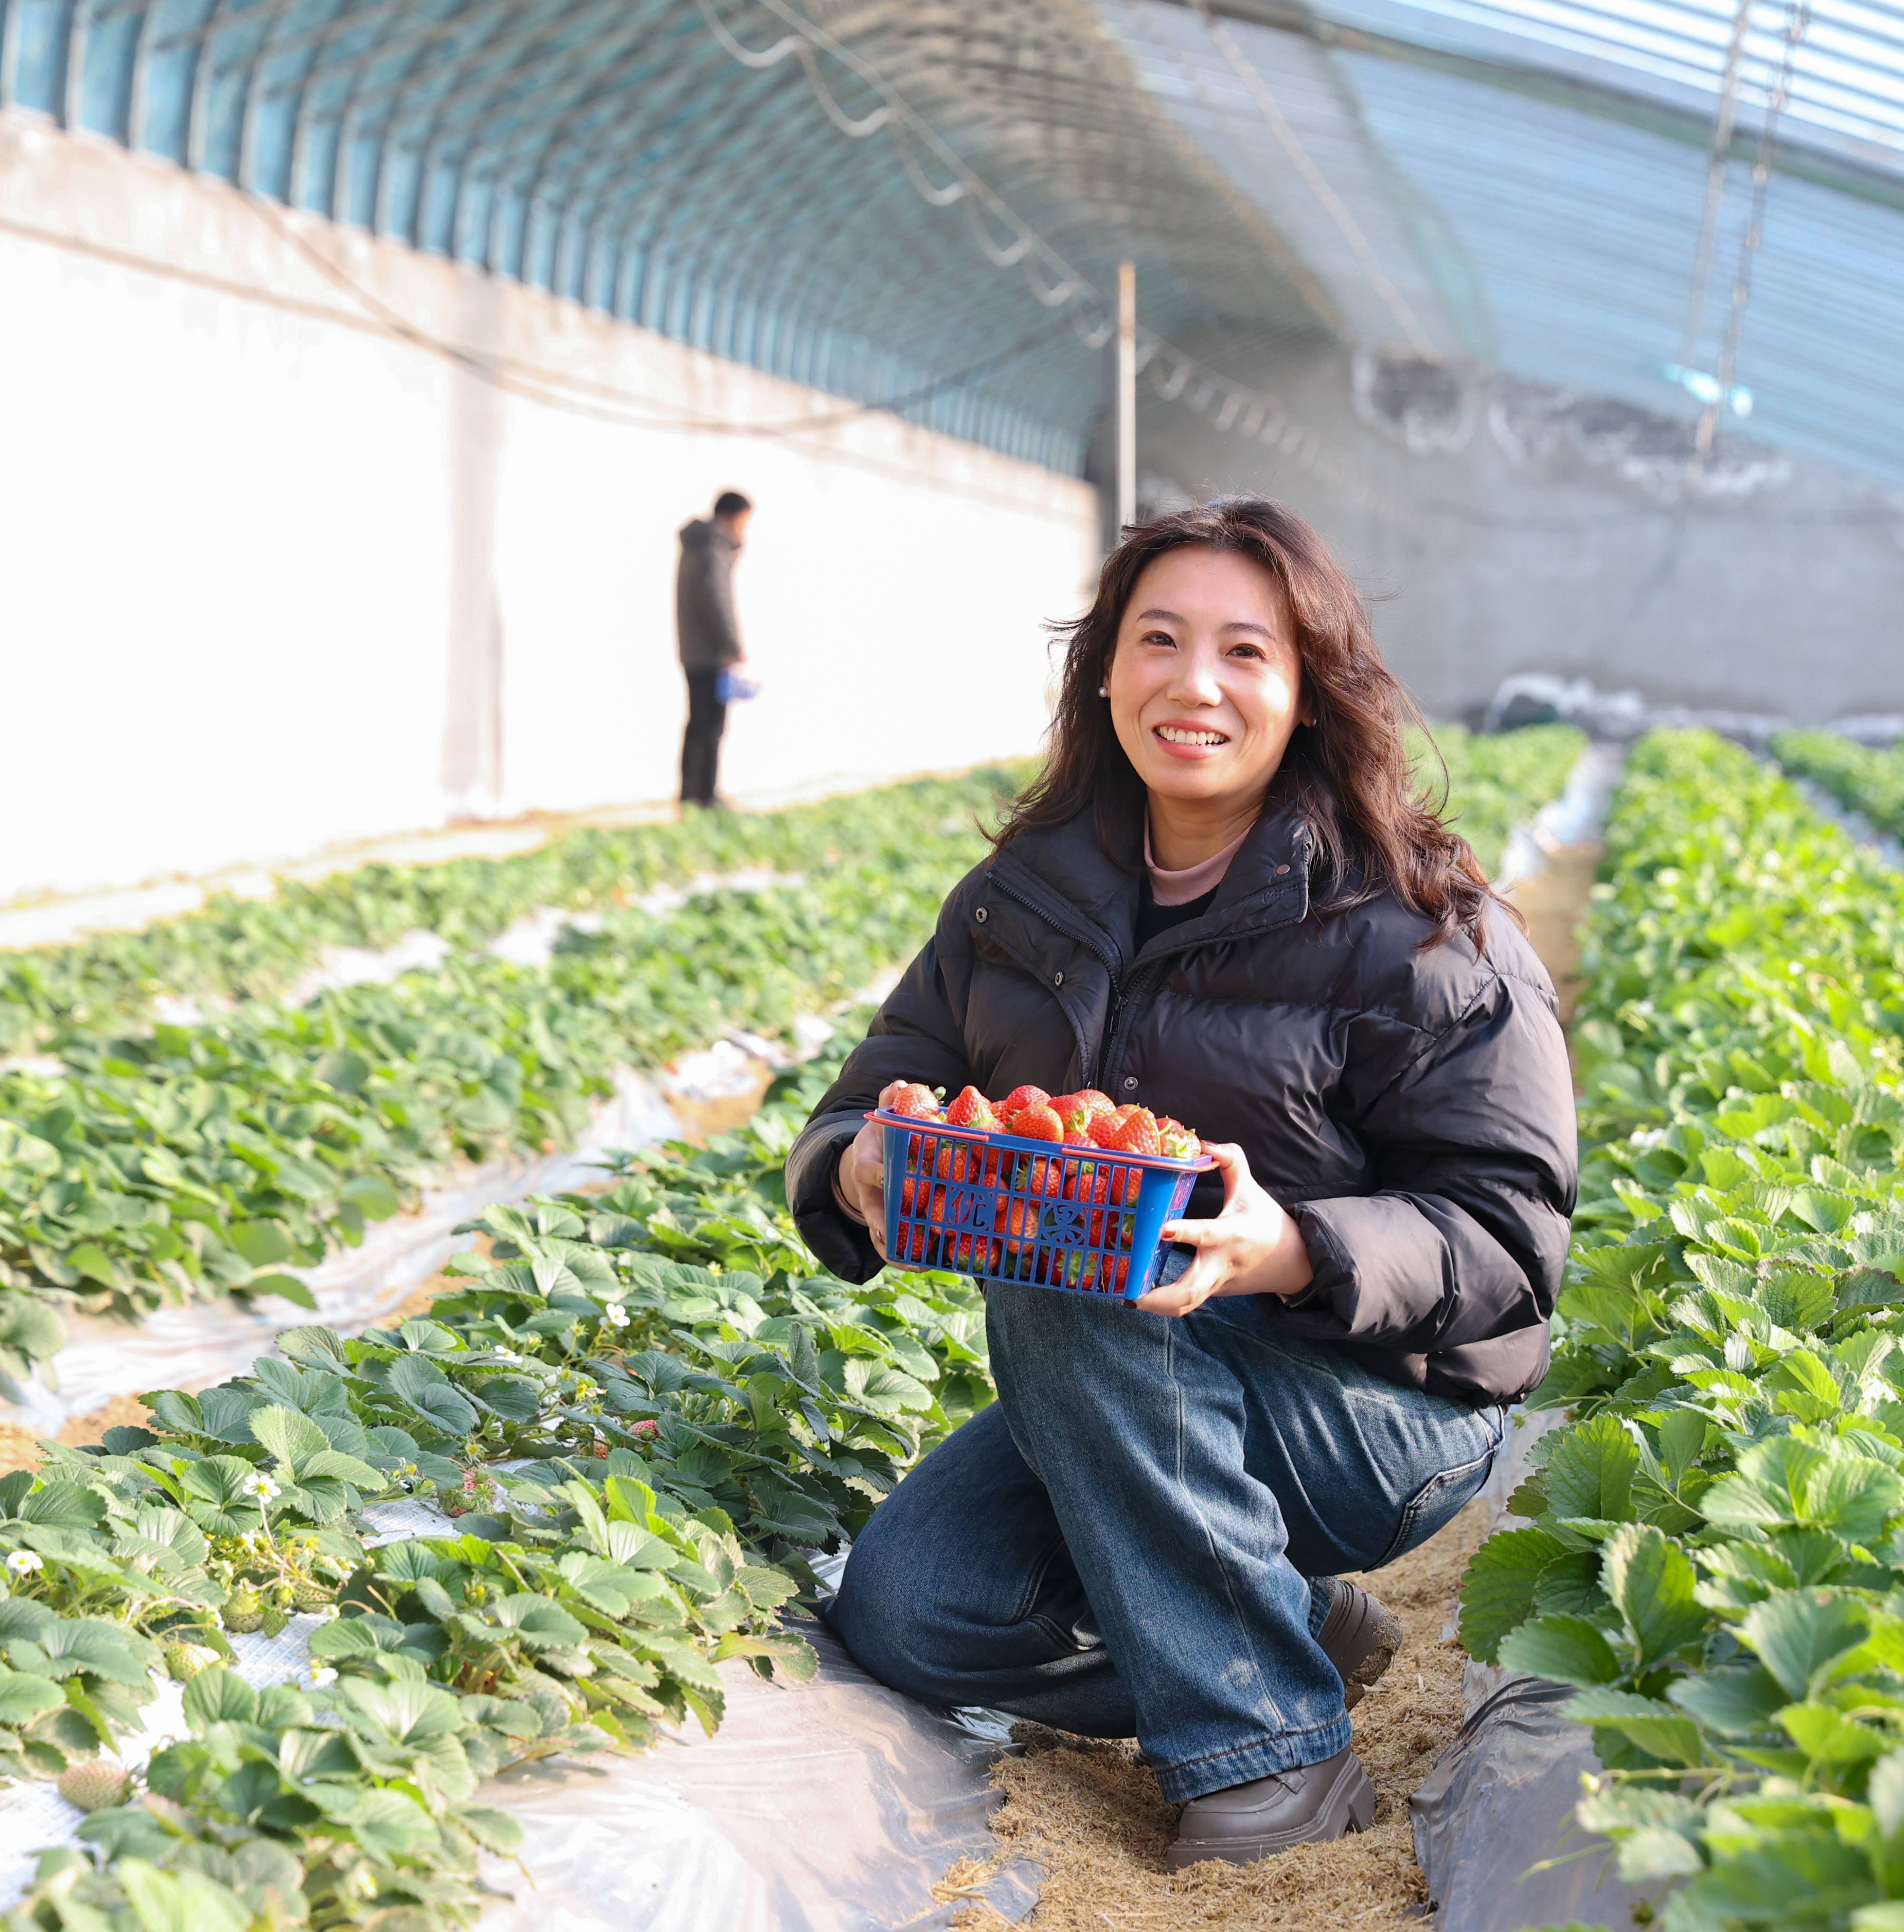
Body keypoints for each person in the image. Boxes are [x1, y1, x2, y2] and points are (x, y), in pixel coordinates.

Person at [783, 498, 1577, 1867]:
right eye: (1158, 639)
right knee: (912, 1611)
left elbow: (1508, 1237)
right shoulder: (1018, 901)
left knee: (1088, 1276)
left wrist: (1290, 1249)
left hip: (1378, 1406)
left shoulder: (1420, 923)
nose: (1192, 683)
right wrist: (853, 1160)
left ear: (1309, 695)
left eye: (1245, 653)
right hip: (1123, 1377)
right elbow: (877, 1089)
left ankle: (1270, 1755)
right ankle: (1272, 1621)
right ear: (1104, 669)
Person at [675, 489, 752, 809]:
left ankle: (691, 795)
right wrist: (731, 645)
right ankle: (706, 796)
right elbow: (717, 600)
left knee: (698, 724)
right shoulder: (712, 547)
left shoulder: (699, 544)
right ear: (732, 517)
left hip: (693, 648)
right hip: (710, 651)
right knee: (710, 727)